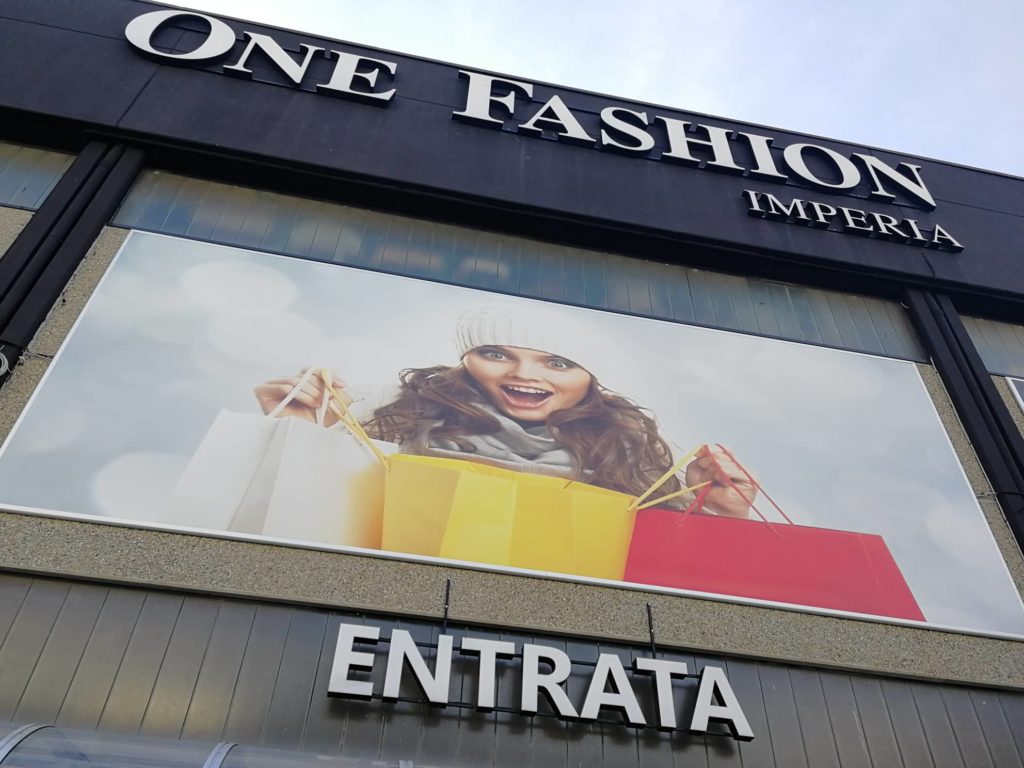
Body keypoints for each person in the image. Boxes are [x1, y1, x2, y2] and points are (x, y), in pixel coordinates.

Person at [255, 304, 756, 517]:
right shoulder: (387, 412)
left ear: (591, 380)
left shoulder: (632, 452)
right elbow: (312, 520)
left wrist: (724, 514)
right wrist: (298, 435)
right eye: (496, 354)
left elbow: (679, 581)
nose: (524, 374)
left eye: (557, 363)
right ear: (467, 360)